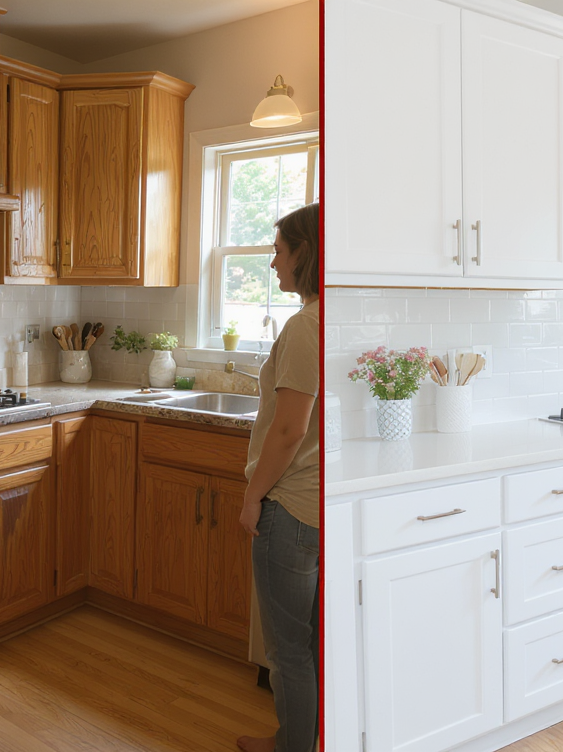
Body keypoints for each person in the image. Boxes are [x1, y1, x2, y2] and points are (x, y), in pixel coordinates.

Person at [237, 202, 320, 752]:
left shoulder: (303, 325)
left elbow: (288, 431)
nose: (272, 263)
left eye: (278, 252)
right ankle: (293, 738)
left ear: (304, 255)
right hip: (315, 505)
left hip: (288, 508)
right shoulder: (330, 318)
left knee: (288, 647)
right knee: (306, 642)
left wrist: (251, 497)